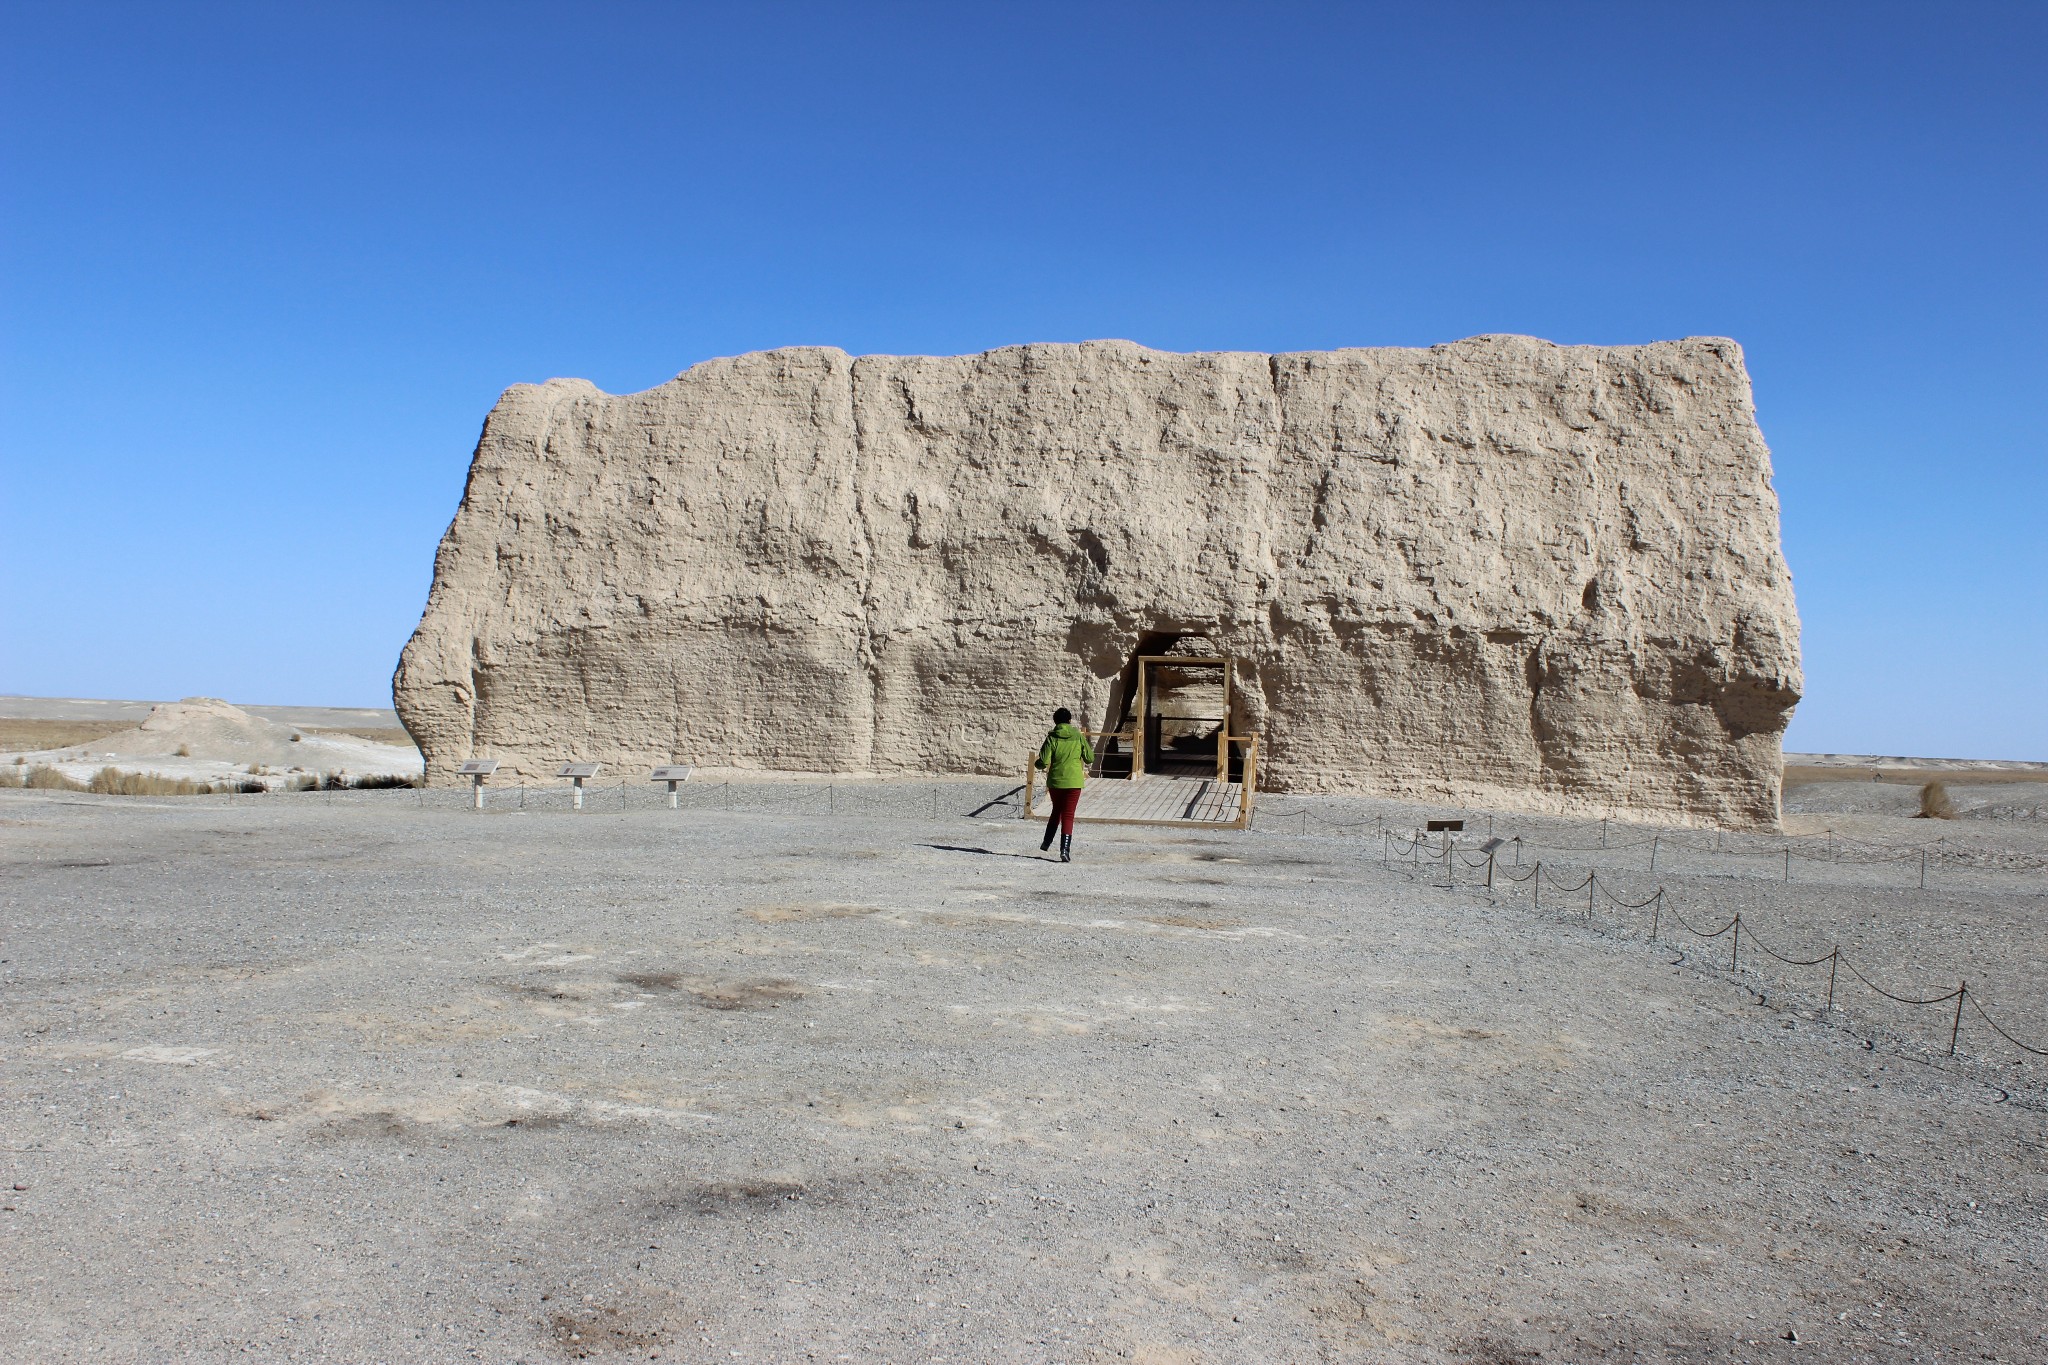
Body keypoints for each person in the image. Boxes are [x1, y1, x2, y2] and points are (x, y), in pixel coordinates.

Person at [1035, 707, 1094, 862]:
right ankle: (1064, 850)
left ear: (1055, 721)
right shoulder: (1078, 736)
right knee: (1068, 814)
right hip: (1074, 780)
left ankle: (1047, 842)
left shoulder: (1052, 737)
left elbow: (1043, 761)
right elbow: (1089, 758)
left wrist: (1038, 764)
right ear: (1069, 721)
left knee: (1056, 810)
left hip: (1056, 780)